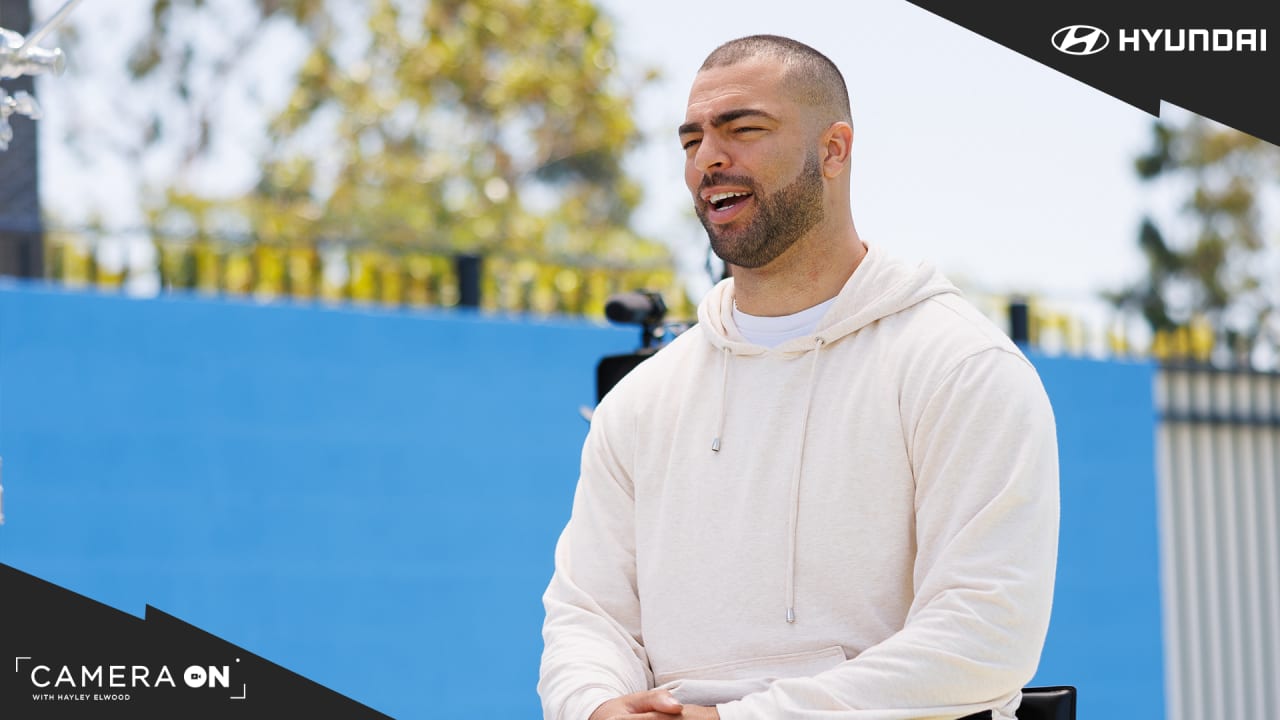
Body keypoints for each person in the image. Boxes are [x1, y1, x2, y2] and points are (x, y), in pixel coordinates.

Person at [539, 34, 1059, 720]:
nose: (708, 159)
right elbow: (587, 615)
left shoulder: (958, 368)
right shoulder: (641, 402)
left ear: (834, 150)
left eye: (742, 129)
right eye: (691, 140)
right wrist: (597, 706)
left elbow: (983, 636)